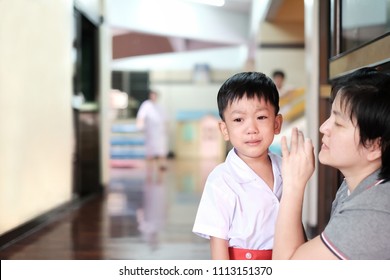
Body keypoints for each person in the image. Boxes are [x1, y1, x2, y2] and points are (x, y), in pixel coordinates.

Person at [273, 67, 390, 260]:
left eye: (338, 123)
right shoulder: (355, 184)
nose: (323, 128)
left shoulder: (372, 213)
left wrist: (293, 185)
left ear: (375, 146)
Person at [192, 72, 284, 260]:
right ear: (225, 130)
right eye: (238, 120)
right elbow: (218, 243)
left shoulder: (286, 167)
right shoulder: (221, 180)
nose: (251, 129)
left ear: (276, 123)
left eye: (261, 117)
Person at [136, 89, 169, 181]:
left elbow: (166, 121)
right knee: (149, 154)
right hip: (150, 134)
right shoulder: (146, 105)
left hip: (160, 134)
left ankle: (161, 170)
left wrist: (166, 131)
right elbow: (141, 118)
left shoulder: (161, 107)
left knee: (161, 153)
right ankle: (149, 173)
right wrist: (140, 126)